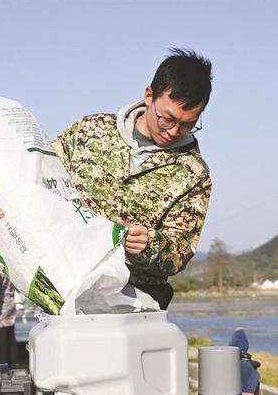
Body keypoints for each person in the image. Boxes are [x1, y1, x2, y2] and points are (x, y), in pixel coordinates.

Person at [51, 48, 213, 309]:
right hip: (66, 288)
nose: (174, 131)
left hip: (136, 302)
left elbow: (179, 253)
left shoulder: (193, 173)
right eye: (167, 119)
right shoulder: (90, 131)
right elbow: (43, 173)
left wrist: (149, 245)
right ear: (149, 95)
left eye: (187, 125)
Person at [0, 270, 18, 368]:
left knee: (1, 339)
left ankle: (2, 366)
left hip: (2, 306)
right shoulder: (10, 269)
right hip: (10, 303)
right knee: (10, 337)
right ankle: (12, 364)